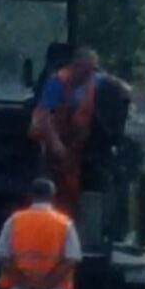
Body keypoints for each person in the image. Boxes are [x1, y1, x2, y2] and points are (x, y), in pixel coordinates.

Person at [30, 47, 131, 214]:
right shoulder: (58, 82)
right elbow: (44, 116)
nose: (88, 74)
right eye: (85, 70)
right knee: (53, 177)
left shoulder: (97, 81)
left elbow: (124, 89)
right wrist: (55, 143)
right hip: (57, 139)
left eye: (93, 70)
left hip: (81, 142)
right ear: (75, 66)